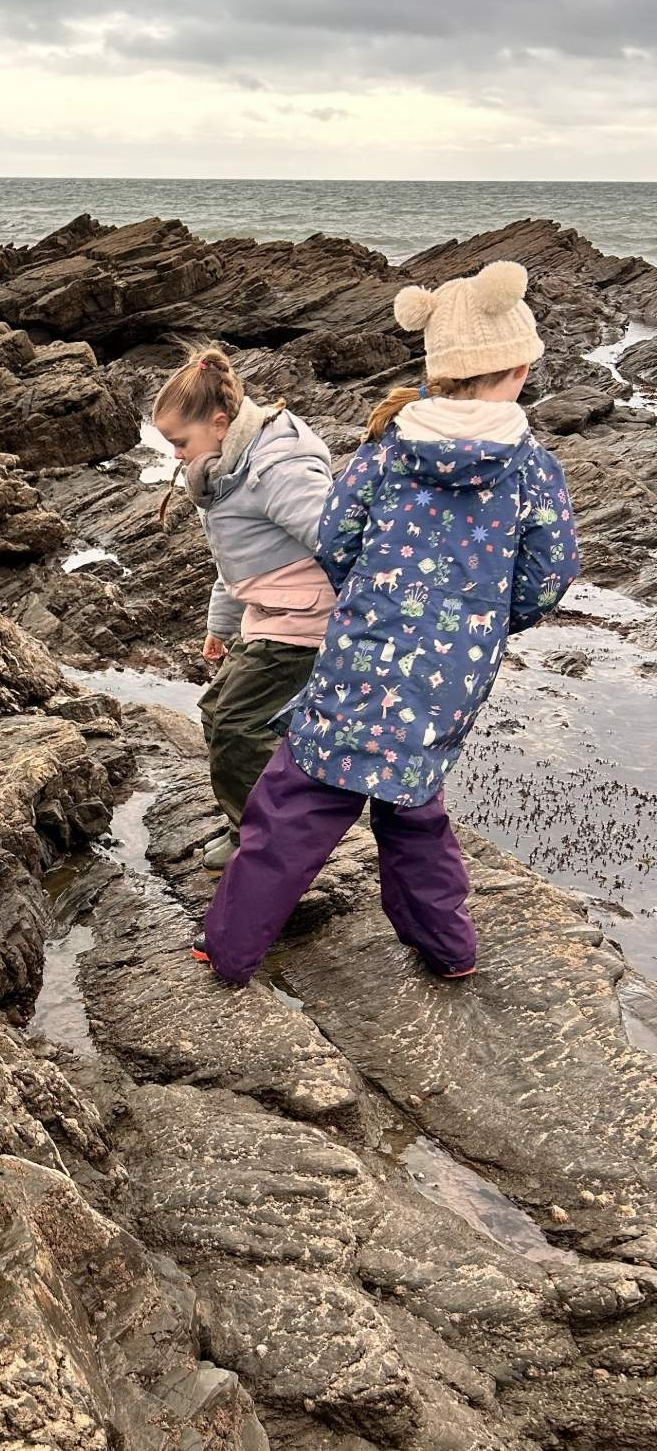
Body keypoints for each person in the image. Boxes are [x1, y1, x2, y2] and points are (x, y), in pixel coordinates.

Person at [196, 260, 579, 986]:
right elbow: (550, 574)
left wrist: (369, 598)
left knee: (292, 806)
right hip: (448, 681)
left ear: (441, 369)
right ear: (518, 368)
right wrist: (493, 620)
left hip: (356, 663)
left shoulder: (384, 454)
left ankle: (229, 948)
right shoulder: (531, 471)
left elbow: (336, 539)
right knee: (414, 813)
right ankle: (449, 951)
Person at [152, 345, 335, 869]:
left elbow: (339, 538)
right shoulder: (226, 466)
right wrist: (222, 625)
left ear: (218, 421)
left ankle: (272, 843)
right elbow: (238, 559)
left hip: (306, 622)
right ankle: (249, 824)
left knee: (239, 725)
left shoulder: (276, 466)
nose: (176, 456)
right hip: (267, 614)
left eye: (180, 442)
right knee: (216, 712)